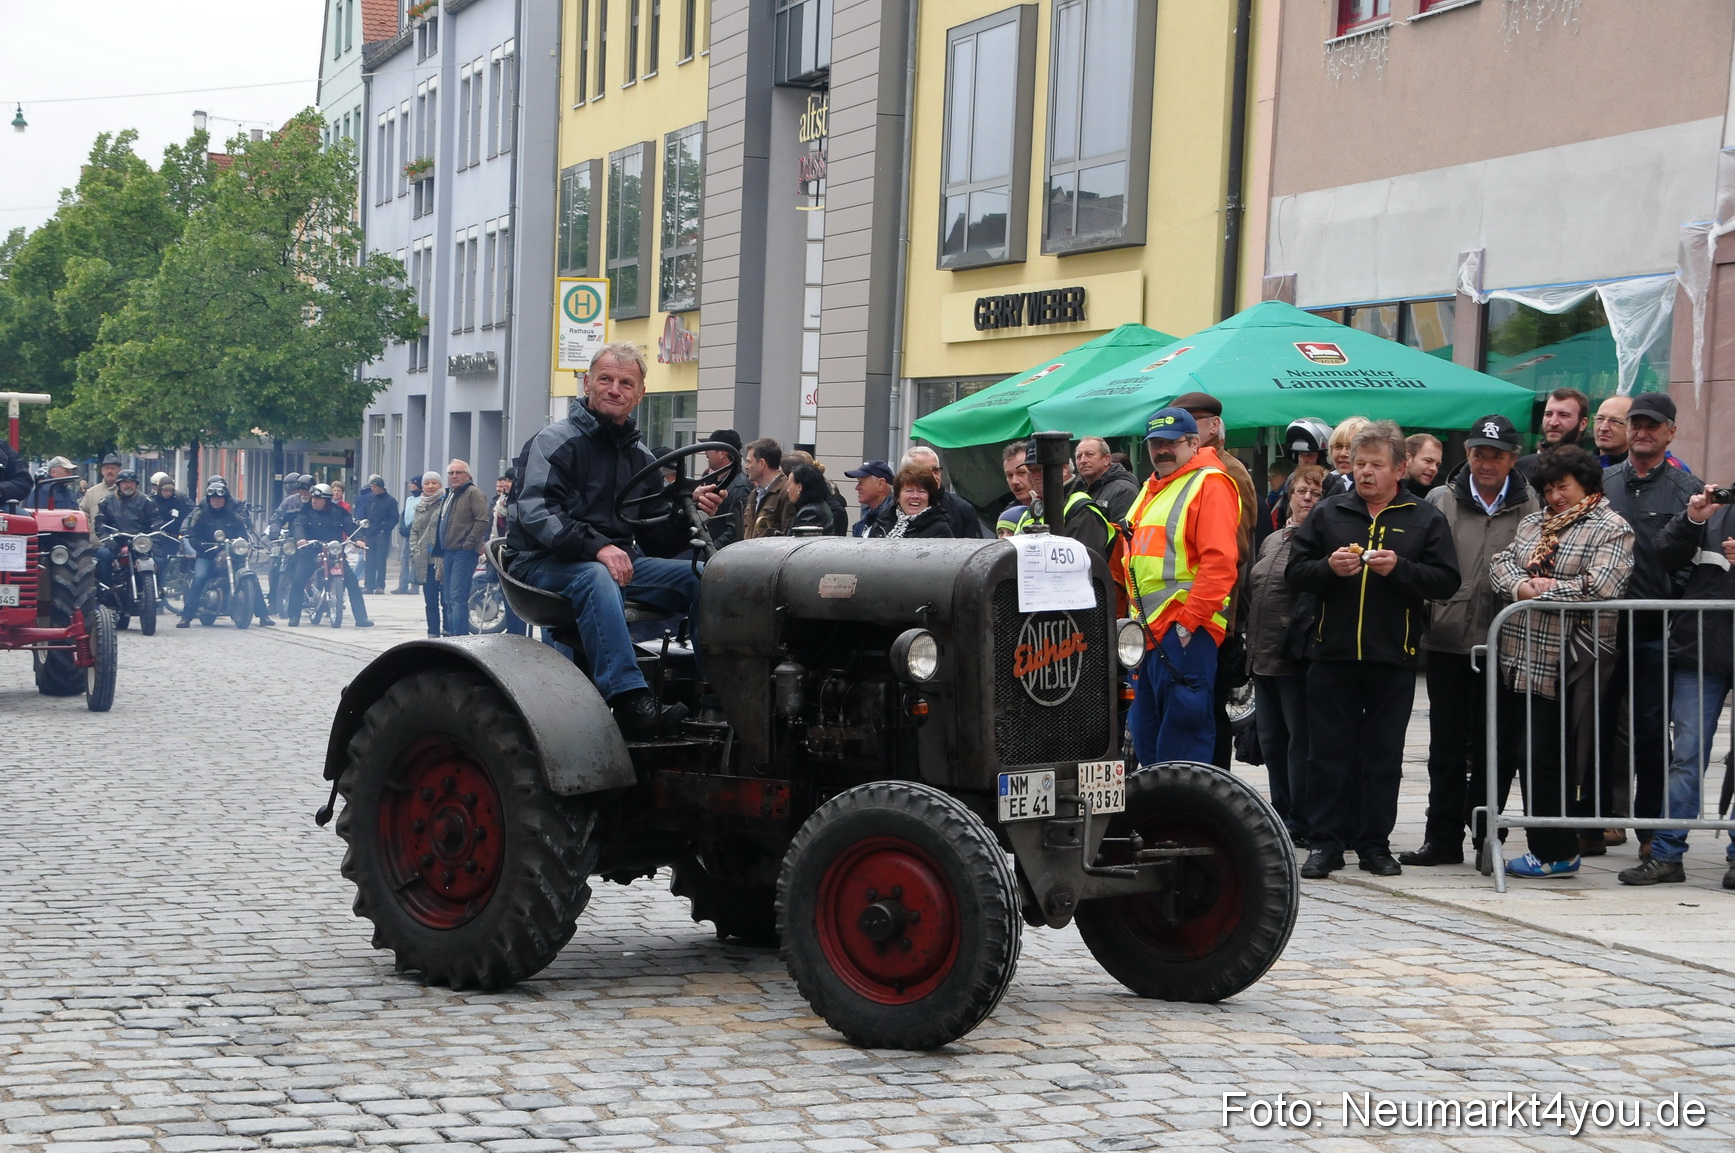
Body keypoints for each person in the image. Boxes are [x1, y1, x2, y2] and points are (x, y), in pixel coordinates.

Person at [506, 342, 725, 738]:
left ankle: (718, 691)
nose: (614, 389)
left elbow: (654, 538)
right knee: (594, 576)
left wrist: (687, 512)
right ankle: (628, 701)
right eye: (605, 379)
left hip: (616, 563)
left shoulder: (640, 457)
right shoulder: (554, 441)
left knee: (708, 578)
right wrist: (598, 547)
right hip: (541, 562)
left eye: (626, 382)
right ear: (587, 384)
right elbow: (537, 512)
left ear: (640, 394)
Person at [1286, 420, 1460, 879]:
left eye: (1376, 465)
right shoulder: (1330, 511)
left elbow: (1446, 581)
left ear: (1399, 469)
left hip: (1392, 657)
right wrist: (1327, 567)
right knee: (1326, 754)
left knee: (1383, 756)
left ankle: (1374, 844)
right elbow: (1295, 572)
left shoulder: (1424, 517)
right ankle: (1325, 843)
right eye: (1360, 464)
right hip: (1331, 654)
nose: (1365, 473)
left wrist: (1400, 569)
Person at [1400, 415, 1539, 868]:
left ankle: (1486, 837)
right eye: (1479, 453)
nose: (1486, 462)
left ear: (1512, 459)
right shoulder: (1441, 498)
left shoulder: (1529, 504)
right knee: (1445, 746)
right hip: (1448, 640)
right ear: (1468, 455)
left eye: (1496, 455)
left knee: (1495, 747)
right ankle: (1440, 838)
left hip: (1505, 643)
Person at [1489, 446, 1633, 878]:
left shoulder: (1611, 526)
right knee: (1522, 752)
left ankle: (1556, 850)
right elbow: (1501, 564)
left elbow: (1603, 586)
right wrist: (1522, 590)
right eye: (1548, 488)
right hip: (1519, 656)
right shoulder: (1534, 522)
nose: (1554, 496)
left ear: (1585, 485)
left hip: (1571, 661)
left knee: (1549, 756)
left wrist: (1544, 592)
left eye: (1563, 487)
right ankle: (1538, 845)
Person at [1621, 482, 1735, 888]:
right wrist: (1691, 519)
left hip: (1703, 644)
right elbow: (1663, 553)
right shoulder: (1716, 507)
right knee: (1686, 753)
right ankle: (1667, 854)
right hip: (1701, 648)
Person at [1600, 393, 1698, 855]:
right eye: (1636, 424)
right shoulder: (1603, 482)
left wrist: (1670, 596)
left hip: (1657, 629)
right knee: (1596, 725)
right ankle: (1597, 820)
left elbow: (1693, 558)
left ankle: (1652, 827)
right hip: (1601, 625)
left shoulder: (1686, 489)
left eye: (1652, 426)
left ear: (1670, 432)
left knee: (1652, 730)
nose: (1642, 432)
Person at [1119, 408, 1242, 766]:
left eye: (1171, 442)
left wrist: (1188, 624)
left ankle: (1183, 821)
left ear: (1193, 442)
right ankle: (1159, 819)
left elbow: (1219, 562)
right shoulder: (1151, 486)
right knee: (1149, 743)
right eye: (1156, 444)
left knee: (1183, 745)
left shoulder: (1210, 483)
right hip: (1148, 637)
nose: (1162, 450)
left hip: (1184, 634)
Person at [1173, 391, 1258, 770]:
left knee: (1205, 714)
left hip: (1212, 616)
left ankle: (1213, 792)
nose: (1183, 434)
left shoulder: (1225, 471)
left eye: (1192, 425)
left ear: (1212, 427)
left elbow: (1230, 551)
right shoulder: (1182, 471)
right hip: (1178, 616)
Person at [1244, 462, 1326, 845]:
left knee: (1299, 744)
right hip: (1261, 658)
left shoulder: (1319, 542)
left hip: (1293, 659)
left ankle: (1302, 818)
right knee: (1272, 742)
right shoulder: (1273, 539)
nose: (1306, 498)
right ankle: (1280, 813)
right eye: (1300, 492)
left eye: (1315, 493)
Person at [286, 483, 373, 628]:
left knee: (352, 583)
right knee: (298, 580)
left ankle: (361, 618)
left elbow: (350, 526)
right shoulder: (305, 511)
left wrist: (358, 539)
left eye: (318, 499)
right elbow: (298, 525)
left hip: (334, 551)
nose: (314, 501)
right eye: (313, 498)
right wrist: (300, 539)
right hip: (311, 551)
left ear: (326, 500)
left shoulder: (339, 512)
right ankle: (294, 615)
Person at [1011, 438, 1115, 557]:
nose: (1034, 476)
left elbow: (1083, 564)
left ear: (1064, 469)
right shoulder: (1033, 508)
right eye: (1030, 470)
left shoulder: (1081, 509)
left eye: (1039, 469)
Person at [178, 478, 259, 628]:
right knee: (200, 577)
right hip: (207, 555)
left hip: (230, 555)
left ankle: (263, 613)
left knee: (250, 575)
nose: (216, 501)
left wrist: (242, 544)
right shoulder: (201, 515)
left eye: (219, 498)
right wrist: (203, 547)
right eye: (213, 498)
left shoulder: (233, 517)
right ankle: (186, 617)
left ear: (225, 500)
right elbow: (194, 536)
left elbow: (243, 534)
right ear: (209, 500)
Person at [869, 446, 987, 539]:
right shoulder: (887, 515)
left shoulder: (961, 510)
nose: (933, 476)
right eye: (923, 472)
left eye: (936, 470)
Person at [435, 459, 489, 636]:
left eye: (458, 472)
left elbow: (482, 520)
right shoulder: (451, 494)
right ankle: (453, 636)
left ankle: (460, 638)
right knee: (448, 598)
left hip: (463, 552)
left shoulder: (473, 493)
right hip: (448, 551)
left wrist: (469, 544)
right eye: (451, 473)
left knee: (458, 598)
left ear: (468, 475)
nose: (454, 476)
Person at [95, 470, 156, 588]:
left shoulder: (146, 501)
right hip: (116, 539)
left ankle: (154, 590)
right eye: (125, 482)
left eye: (132, 482)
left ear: (136, 484)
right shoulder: (107, 501)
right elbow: (100, 523)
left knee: (158, 559)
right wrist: (106, 538)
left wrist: (155, 541)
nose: (128, 485)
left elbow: (155, 522)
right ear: (119, 484)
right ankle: (105, 590)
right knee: (103, 554)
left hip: (139, 541)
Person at [1515, 388, 1590, 480]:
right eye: (1548, 414)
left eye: (1563, 415)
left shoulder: (1591, 471)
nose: (1553, 422)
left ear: (1582, 424)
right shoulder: (1521, 467)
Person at [267, 475, 314, 618]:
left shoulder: (319, 501)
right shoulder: (290, 502)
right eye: (301, 490)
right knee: (275, 565)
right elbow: (276, 518)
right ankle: (274, 601)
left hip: (313, 541)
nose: (304, 493)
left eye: (307, 490)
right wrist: (274, 533)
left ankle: (320, 593)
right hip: (293, 540)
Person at [489, 468, 528, 636]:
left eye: (510, 480)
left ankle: (520, 635)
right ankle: (513, 633)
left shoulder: (523, 501)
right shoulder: (501, 502)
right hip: (504, 554)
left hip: (519, 554)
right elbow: (495, 528)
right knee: (508, 598)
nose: (506, 484)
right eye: (506, 480)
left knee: (520, 600)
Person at [867, 467, 953, 539]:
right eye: (909, 491)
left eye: (921, 491)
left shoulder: (940, 529)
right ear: (897, 497)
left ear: (929, 497)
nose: (915, 496)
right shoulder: (882, 521)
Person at [409, 472, 445, 636]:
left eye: (434, 483)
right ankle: (433, 633)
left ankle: (448, 631)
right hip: (425, 560)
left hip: (441, 559)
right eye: (427, 483)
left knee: (446, 600)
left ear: (439, 485)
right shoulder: (420, 505)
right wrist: (414, 549)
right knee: (430, 600)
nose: (430, 486)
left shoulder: (446, 503)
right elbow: (414, 530)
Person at [703, 429, 752, 547]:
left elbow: (735, 532)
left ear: (722, 453)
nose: (705, 452)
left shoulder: (740, 487)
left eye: (709, 448)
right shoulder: (714, 481)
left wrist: (708, 551)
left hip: (717, 556)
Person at [741, 438, 793, 540]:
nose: (746, 466)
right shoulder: (754, 494)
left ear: (761, 463)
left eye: (749, 462)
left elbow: (788, 537)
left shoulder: (786, 493)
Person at [1076, 436, 1138, 521]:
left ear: (1106, 459)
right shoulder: (1077, 490)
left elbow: (1124, 531)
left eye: (1089, 454)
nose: (1083, 460)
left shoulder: (1123, 490)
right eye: (1079, 456)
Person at [354, 475, 398, 593]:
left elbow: (394, 518)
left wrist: (385, 529)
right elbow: (363, 513)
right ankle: (369, 585)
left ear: (380, 487)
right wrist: (361, 523)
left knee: (380, 561)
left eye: (374, 487)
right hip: (370, 533)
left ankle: (380, 586)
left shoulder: (390, 501)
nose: (372, 489)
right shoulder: (370, 499)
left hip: (382, 534)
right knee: (369, 560)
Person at [1320, 417, 1370, 498]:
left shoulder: (1374, 493)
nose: (1343, 453)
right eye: (1338, 446)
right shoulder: (1323, 484)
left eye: (1351, 447)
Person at [844, 461, 895, 537]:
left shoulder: (896, 519)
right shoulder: (865, 521)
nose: (857, 488)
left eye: (861, 483)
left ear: (880, 484)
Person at [784, 464, 835, 534]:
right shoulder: (819, 506)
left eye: (789, 484)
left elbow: (800, 542)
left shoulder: (810, 513)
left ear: (799, 487)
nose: (787, 490)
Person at [397, 476, 423, 593]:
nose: (410, 486)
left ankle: (414, 584)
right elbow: (404, 514)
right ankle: (402, 584)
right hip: (407, 534)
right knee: (404, 558)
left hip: (417, 533)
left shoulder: (423, 499)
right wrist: (402, 526)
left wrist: (411, 527)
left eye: (412, 483)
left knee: (415, 559)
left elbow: (420, 516)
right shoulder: (409, 499)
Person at [1593, 396, 1632, 468]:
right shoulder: (1576, 467)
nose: (1603, 428)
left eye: (1615, 421)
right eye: (1600, 419)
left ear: (1632, 427)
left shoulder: (1638, 473)